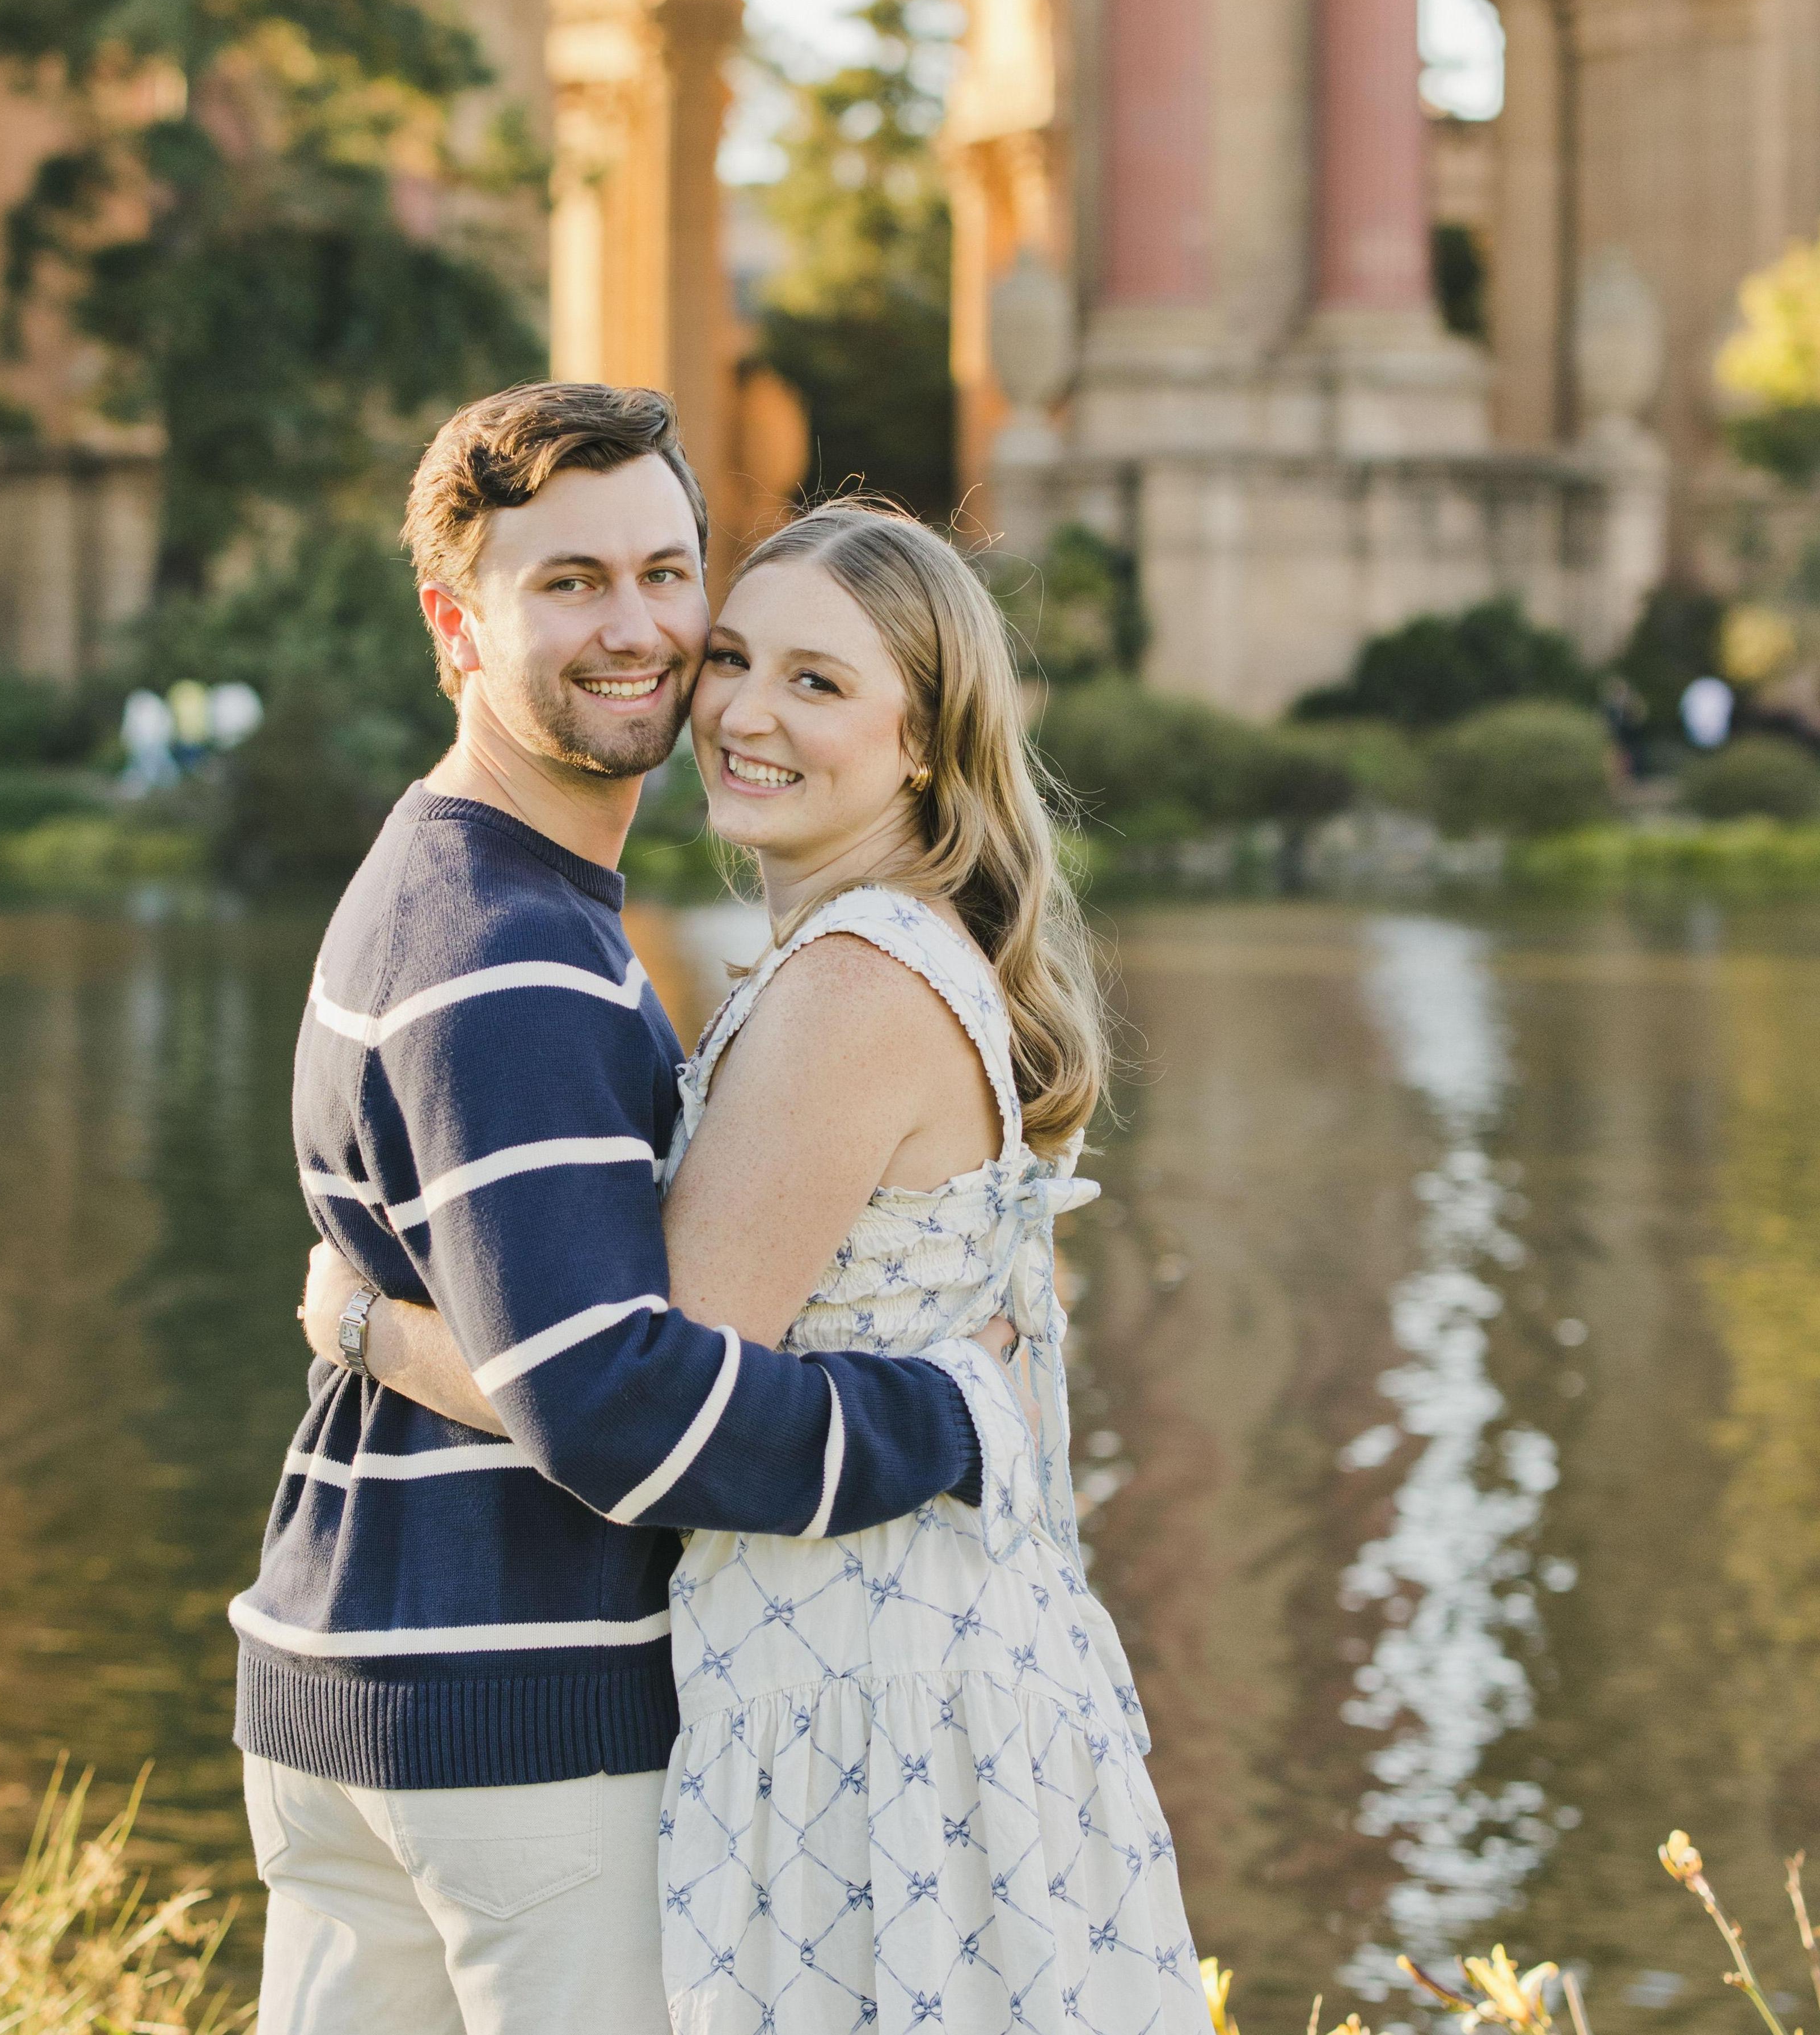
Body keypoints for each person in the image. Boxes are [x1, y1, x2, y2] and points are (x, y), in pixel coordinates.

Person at [306, 495, 1210, 2034]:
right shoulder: (862, 955)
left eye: (818, 682)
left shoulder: (852, 983)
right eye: (733, 658)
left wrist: (368, 1329)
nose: (741, 710)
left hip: (867, 1688)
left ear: (923, 740)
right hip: (871, 1655)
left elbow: (637, 1401)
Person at [234, 386, 1003, 2035]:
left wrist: (368, 1324)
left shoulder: (458, 883)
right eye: (569, 581)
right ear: (457, 623)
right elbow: (615, 1405)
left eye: (669, 572)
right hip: (514, 1728)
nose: (641, 626)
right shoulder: (504, 944)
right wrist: (952, 1414)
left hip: (366, 1684)